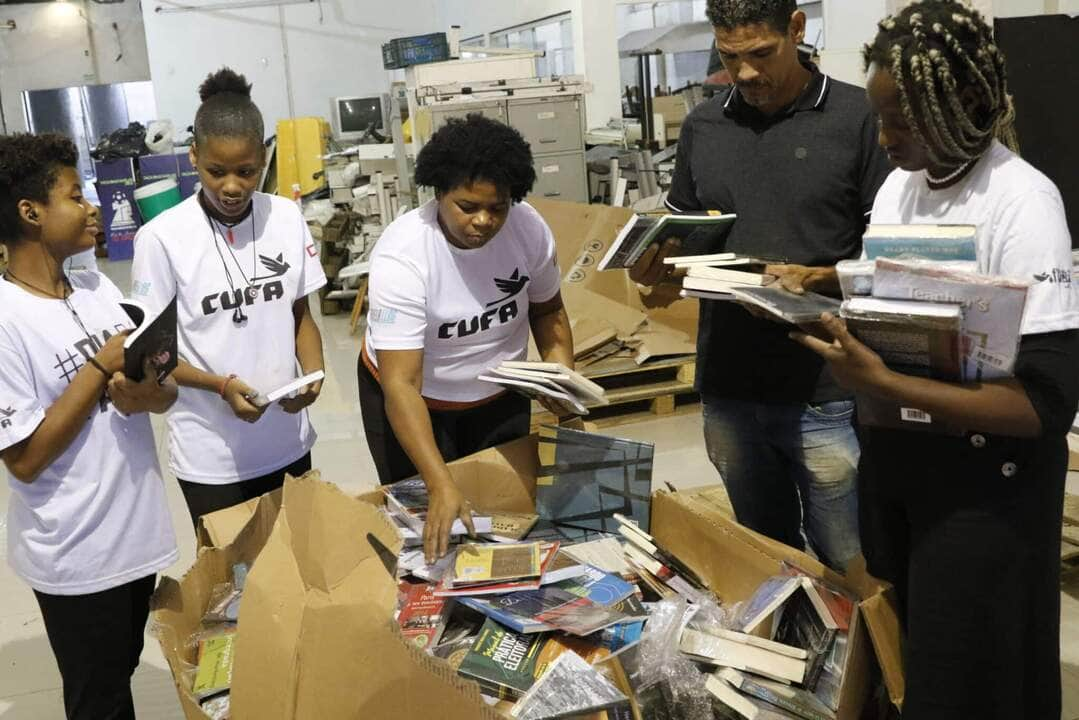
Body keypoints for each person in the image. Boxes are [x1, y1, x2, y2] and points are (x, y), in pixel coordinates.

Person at [789, 2, 1079, 717]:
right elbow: (884, 303)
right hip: (900, 474)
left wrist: (881, 379)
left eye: (902, 121)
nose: (883, 139)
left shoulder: (1021, 204)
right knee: (903, 668)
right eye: (881, 118)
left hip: (983, 495)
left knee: (972, 680)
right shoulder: (899, 188)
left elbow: (1042, 405)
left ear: (970, 104)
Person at [629, 0, 892, 571]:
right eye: (729, 56)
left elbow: (890, 256)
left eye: (760, 54)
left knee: (851, 561)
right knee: (766, 559)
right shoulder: (705, 125)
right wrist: (655, 271)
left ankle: (870, 662)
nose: (745, 73)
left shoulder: (859, 118)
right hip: (729, 387)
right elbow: (686, 238)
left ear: (796, 28)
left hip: (825, 387)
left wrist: (817, 277)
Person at [0, 133, 179, 720]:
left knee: (118, 674)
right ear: (30, 213)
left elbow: (161, 390)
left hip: (133, 535)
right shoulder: (6, 319)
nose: (93, 207)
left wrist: (146, 392)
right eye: (76, 195)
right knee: (97, 700)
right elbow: (23, 459)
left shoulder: (96, 287)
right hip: (74, 552)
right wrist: (101, 365)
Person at [360, 114, 574, 563]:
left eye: (497, 208)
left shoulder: (530, 231)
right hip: (417, 402)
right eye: (467, 206)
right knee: (429, 530)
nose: (483, 221)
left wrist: (561, 374)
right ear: (439, 192)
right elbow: (402, 384)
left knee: (501, 521)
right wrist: (439, 483)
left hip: (499, 395)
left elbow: (549, 310)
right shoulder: (404, 256)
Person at [131, 68, 327, 529]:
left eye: (247, 172)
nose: (233, 187)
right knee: (233, 588)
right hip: (212, 456)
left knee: (299, 567)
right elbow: (151, 354)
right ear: (194, 156)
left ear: (263, 158)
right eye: (216, 172)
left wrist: (313, 374)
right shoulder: (162, 238)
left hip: (288, 440)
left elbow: (299, 313)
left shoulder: (285, 216)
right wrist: (221, 386)